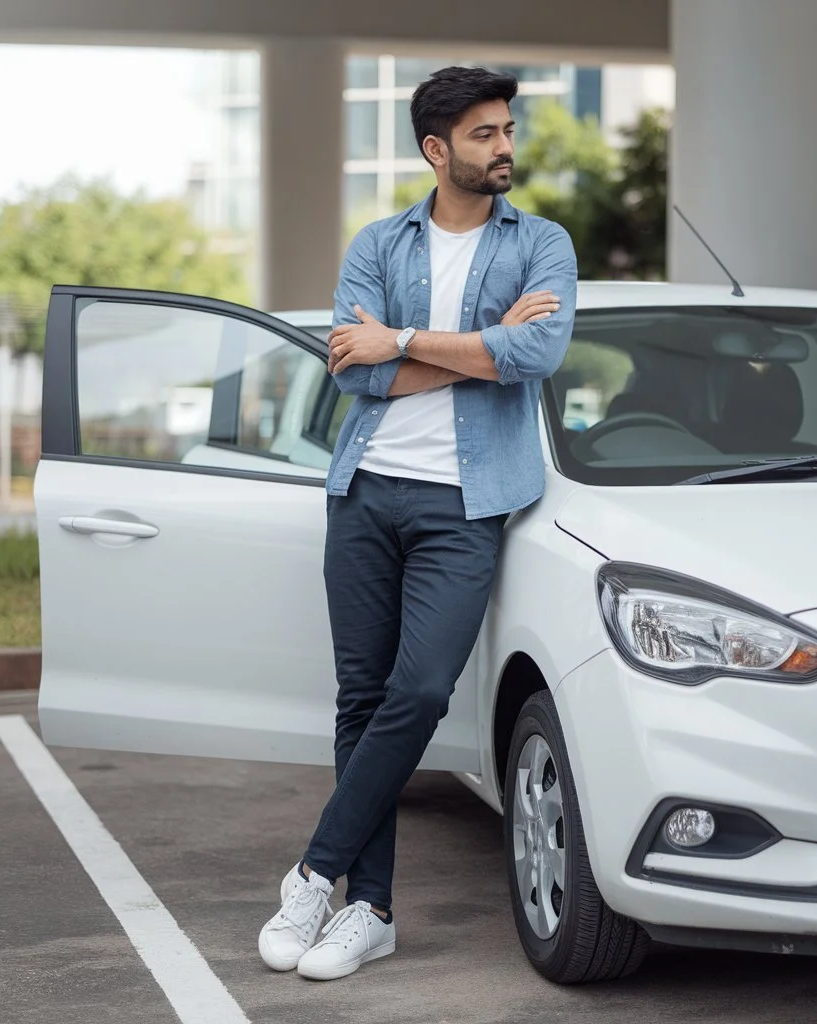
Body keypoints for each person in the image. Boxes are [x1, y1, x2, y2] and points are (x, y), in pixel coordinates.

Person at [257, 65, 578, 982]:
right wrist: (476, 351)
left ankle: (316, 872)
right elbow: (350, 371)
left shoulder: (541, 244)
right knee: (361, 701)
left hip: (462, 507)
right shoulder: (379, 243)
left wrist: (399, 340)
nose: (505, 146)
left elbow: (536, 353)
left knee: (421, 691)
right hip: (365, 491)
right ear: (437, 150)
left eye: (507, 129)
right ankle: (374, 910)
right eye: (485, 134)